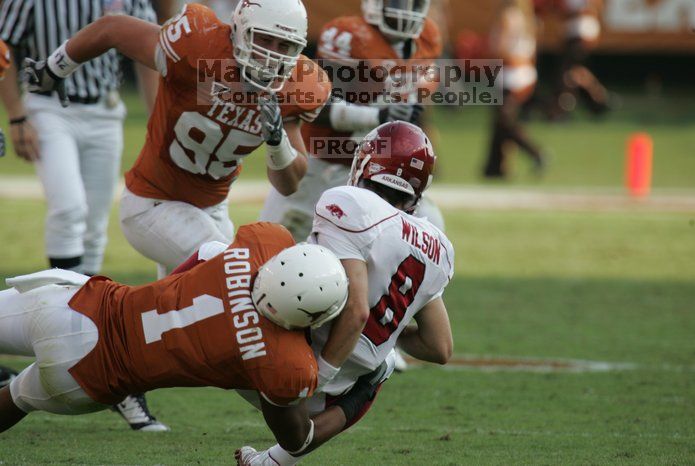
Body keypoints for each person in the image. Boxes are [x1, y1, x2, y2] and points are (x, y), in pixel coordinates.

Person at [24, 0, 331, 277]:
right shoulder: (199, 45)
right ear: (239, 29)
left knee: (185, 310)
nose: (271, 53)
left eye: (284, 45)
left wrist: (277, 142)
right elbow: (113, 28)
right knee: (235, 273)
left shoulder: (297, 86)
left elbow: (288, 184)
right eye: (264, 39)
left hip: (211, 208)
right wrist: (56, 67)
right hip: (153, 202)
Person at [0, 222, 359, 459]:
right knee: (15, 397)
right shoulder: (285, 363)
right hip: (87, 376)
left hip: (76, 307)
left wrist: (169, 292)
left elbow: (207, 253)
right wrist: (361, 396)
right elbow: (296, 440)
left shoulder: (263, 241)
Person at [237, 121, 455, 465]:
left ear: (366, 164)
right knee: (379, 363)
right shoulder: (437, 244)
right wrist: (387, 332)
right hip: (332, 398)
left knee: (229, 254)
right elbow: (439, 347)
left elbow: (356, 312)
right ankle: (271, 461)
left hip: (283, 357)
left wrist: (317, 375)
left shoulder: (351, 202)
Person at [0, 0, 164, 430]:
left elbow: (151, 50)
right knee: (69, 208)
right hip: (49, 106)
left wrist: (156, 117)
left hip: (107, 110)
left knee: (94, 229)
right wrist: (16, 114)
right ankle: (60, 325)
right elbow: (4, 43)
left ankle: (88, 341)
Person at [259, 0, 446, 240]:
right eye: (398, 3)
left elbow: (424, 86)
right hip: (326, 161)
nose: (405, 12)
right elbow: (319, 104)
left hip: (379, 171)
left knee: (427, 224)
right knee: (277, 242)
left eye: (413, 4)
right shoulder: (348, 36)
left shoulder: (428, 37)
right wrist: (378, 116)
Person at [482, 0, 545, 178]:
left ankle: (536, 152)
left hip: (511, 76)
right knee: (500, 122)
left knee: (506, 121)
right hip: (524, 74)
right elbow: (531, 52)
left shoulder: (507, 16)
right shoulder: (528, 17)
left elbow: (501, 50)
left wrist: (482, 50)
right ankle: (493, 168)